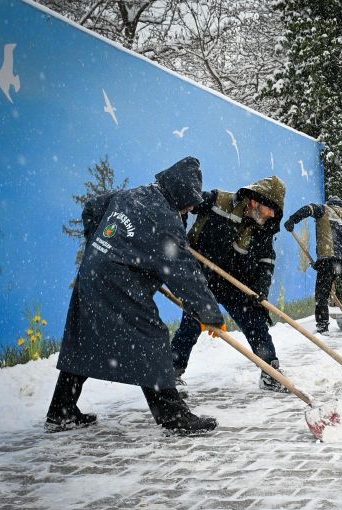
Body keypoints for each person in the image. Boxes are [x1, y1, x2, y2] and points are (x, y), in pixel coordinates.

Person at [46, 156, 226, 435]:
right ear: (179, 192)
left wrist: (102, 244)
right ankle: (174, 417)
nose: (191, 206)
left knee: (85, 338)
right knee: (150, 337)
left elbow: (92, 209)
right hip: (118, 283)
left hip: (93, 272)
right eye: (189, 200)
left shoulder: (134, 194)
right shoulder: (164, 218)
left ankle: (62, 410)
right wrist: (210, 313)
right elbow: (183, 273)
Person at [170, 175, 290, 393]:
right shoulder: (217, 201)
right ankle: (171, 373)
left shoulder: (264, 226)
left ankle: (270, 373)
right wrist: (178, 237)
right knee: (191, 324)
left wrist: (260, 291)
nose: (273, 214)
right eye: (271, 208)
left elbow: (266, 261)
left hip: (233, 282)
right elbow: (182, 205)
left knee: (255, 322)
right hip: (202, 276)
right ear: (256, 201)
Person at [284, 196, 342, 334]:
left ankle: (322, 325)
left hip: (329, 259)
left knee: (322, 294)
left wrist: (293, 219)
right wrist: (320, 263)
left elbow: (308, 209)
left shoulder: (324, 209)